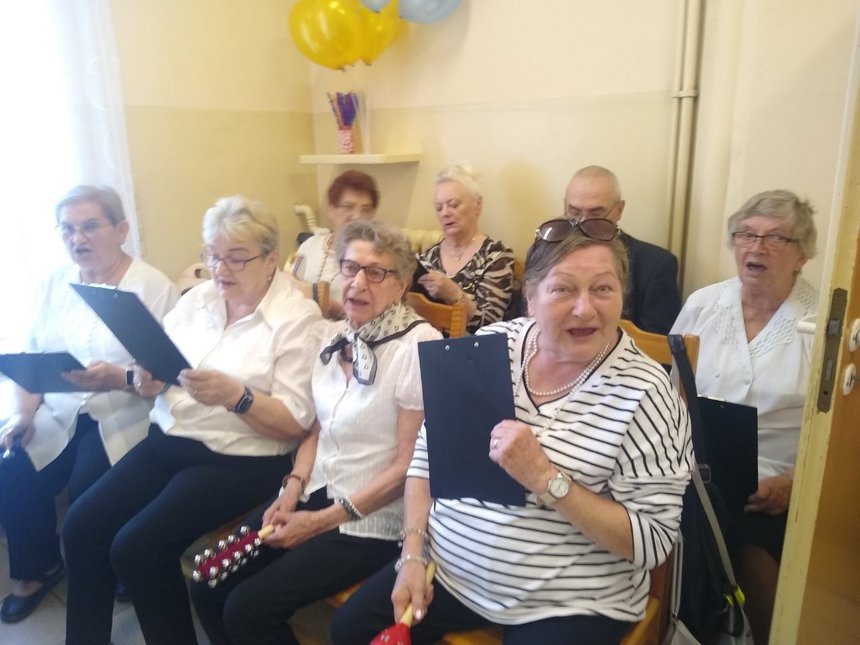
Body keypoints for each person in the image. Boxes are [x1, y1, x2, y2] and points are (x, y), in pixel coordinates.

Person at [332, 217, 693, 645]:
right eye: (563, 289)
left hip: (569, 600)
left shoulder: (647, 393)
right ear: (531, 298)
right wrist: (412, 554)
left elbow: (653, 541)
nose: (585, 308)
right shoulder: (491, 345)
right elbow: (427, 458)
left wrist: (547, 479)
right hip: (447, 573)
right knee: (349, 630)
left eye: (602, 288)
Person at [61, 195, 324, 645]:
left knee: (137, 547)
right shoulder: (197, 301)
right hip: (170, 437)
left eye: (236, 258)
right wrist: (147, 379)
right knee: (81, 525)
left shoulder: (296, 320)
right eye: (213, 256)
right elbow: (161, 370)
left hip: (241, 458)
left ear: (270, 260)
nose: (221, 269)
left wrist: (238, 397)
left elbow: (296, 425)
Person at [190, 219, 441, 644]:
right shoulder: (333, 336)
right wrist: (290, 489)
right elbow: (318, 428)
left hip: (370, 519)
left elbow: (406, 467)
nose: (357, 283)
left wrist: (318, 522)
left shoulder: (417, 347)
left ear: (401, 284)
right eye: (350, 268)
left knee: (248, 608)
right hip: (315, 490)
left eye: (375, 272)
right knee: (209, 577)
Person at [0, 185, 179, 624]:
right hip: (60, 409)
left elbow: (171, 375)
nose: (77, 239)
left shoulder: (152, 286)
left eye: (90, 227)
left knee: (87, 486)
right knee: (12, 462)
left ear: (121, 230)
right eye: (67, 229)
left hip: (127, 413)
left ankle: (115, 565)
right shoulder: (54, 283)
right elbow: (32, 358)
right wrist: (23, 414)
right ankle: (37, 569)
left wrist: (120, 378)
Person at [670, 189, 818, 643]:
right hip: (690, 466)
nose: (757, 247)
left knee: (739, 537)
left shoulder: (820, 323)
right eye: (747, 235)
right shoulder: (704, 304)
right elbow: (670, 387)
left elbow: (842, 437)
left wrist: (795, 483)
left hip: (774, 483)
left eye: (776, 238)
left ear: (802, 254)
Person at [564, 165, 681, 333]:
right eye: (574, 212)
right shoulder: (546, 256)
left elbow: (658, 343)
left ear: (619, 210)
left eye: (595, 214)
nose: (583, 223)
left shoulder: (655, 265)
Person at [416, 163, 514, 333]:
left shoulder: (496, 257)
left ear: (478, 204)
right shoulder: (426, 258)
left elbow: (490, 326)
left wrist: (454, 295)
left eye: (453, 205)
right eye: (439, 208)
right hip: (423, 343)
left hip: (472, 347)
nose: (445, 213)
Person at [289, 170, 380, 318]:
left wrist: (330, 306)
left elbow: (375, 317)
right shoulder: (309, 246)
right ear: (331, 209)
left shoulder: (377, 259)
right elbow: (289, 286)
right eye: (348, 207)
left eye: (365, 209)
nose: (357, 216)